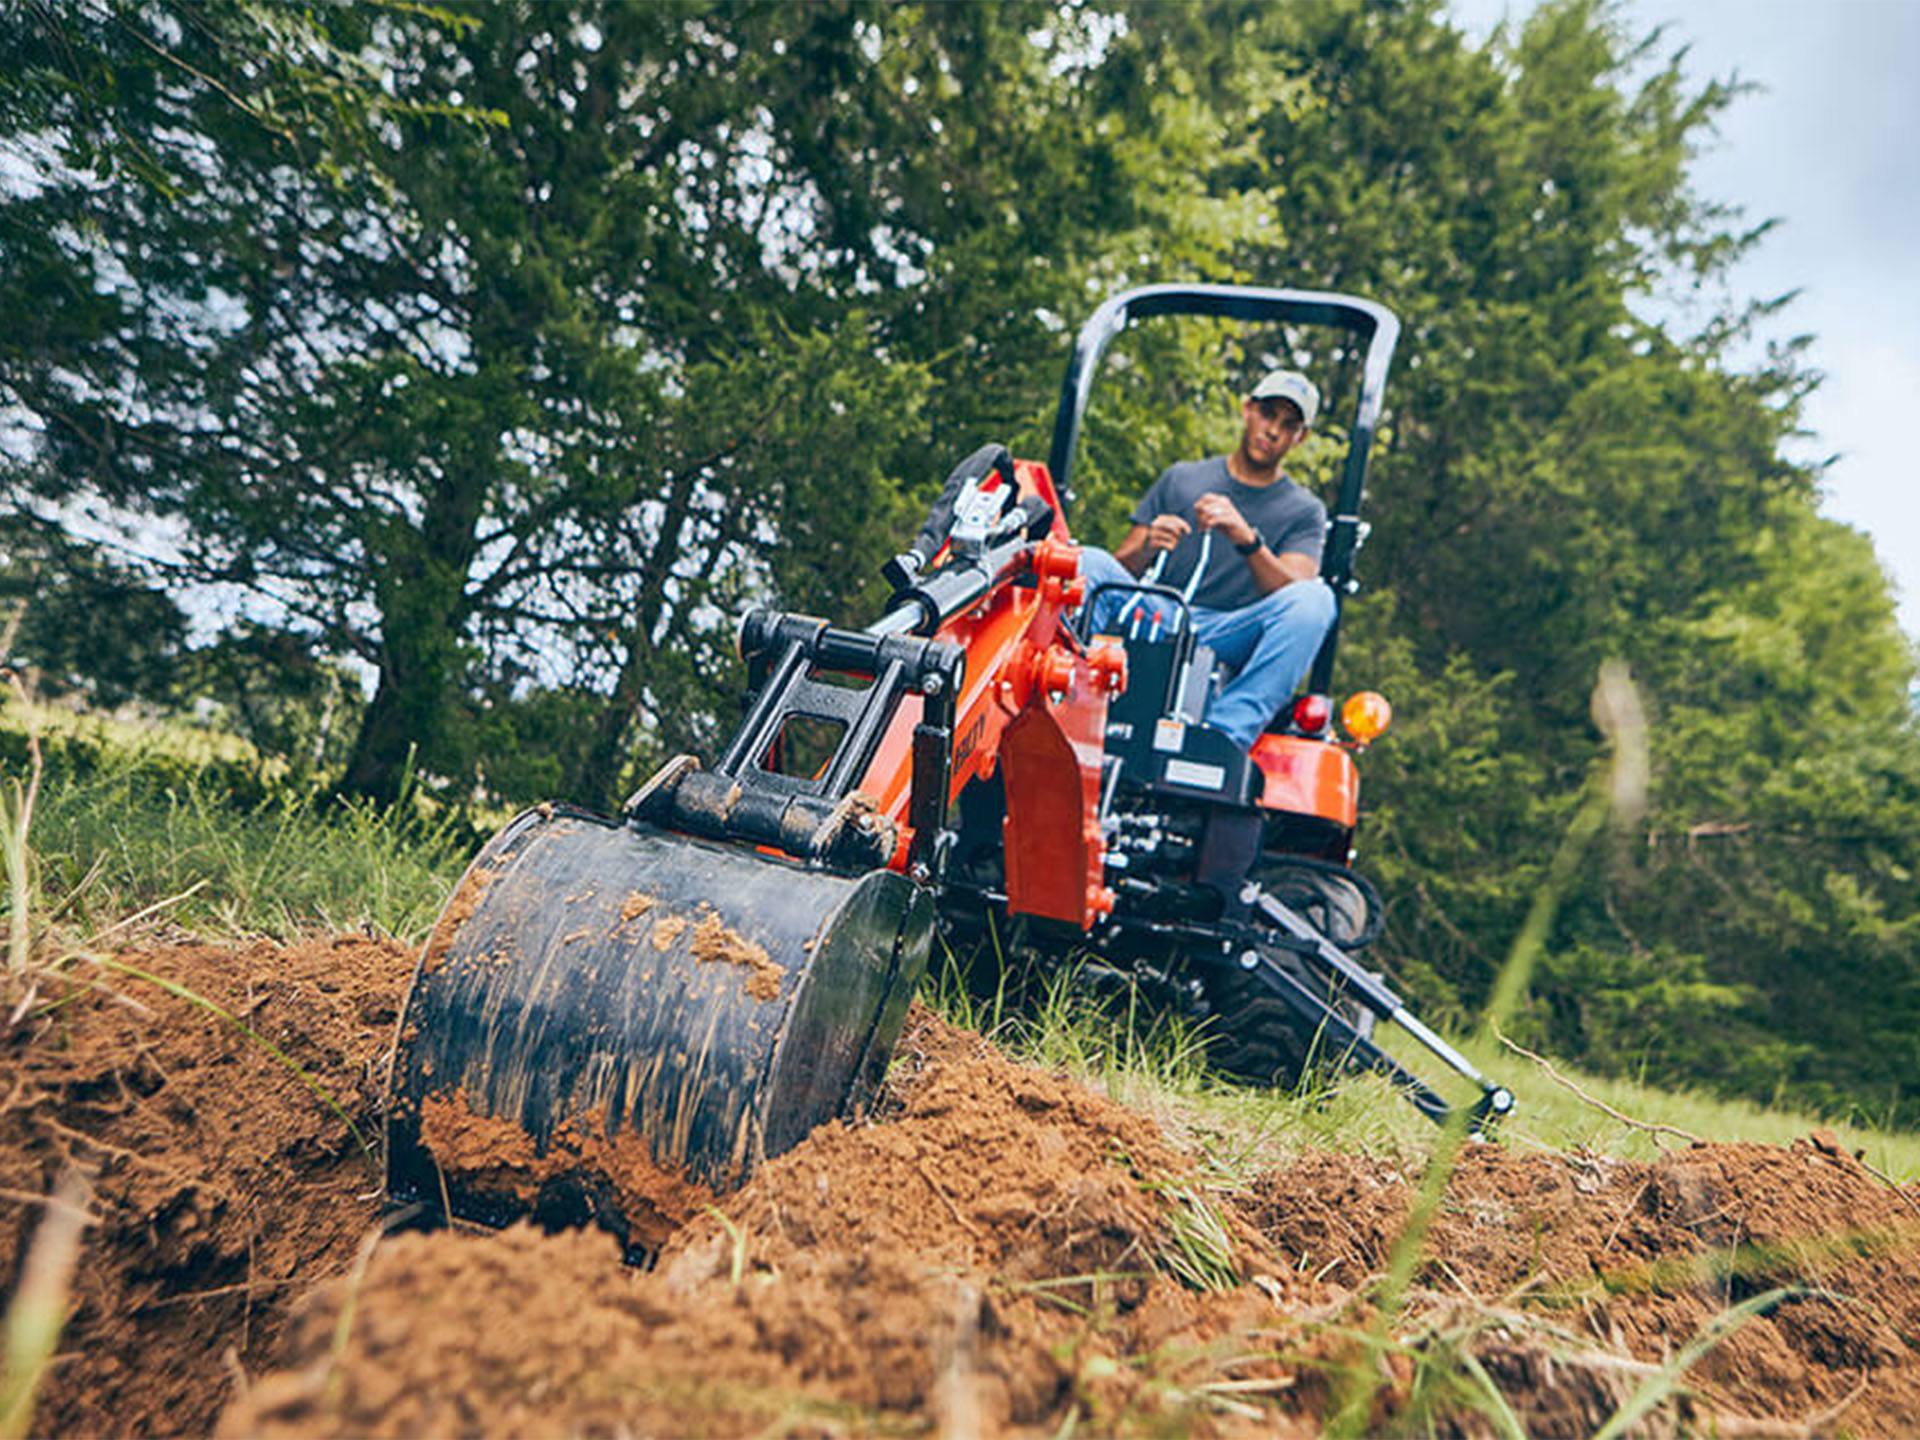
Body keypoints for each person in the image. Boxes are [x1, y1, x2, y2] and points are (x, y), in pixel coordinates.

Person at [1078, 369, 1337, 751]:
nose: (1273, 431)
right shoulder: (1183, 479)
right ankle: (1069, 690)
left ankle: (1222, 737)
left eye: (1289, 425)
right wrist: (1150, 542)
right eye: (1268, 414)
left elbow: (1294, 591)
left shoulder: (1304, 510)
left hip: (1232, 631)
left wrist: (1248, 540)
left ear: (1301, 437)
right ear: (1248, 410)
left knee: (1318, 599)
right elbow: (1122, 566)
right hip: (1163, 612)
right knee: (1088, 561)